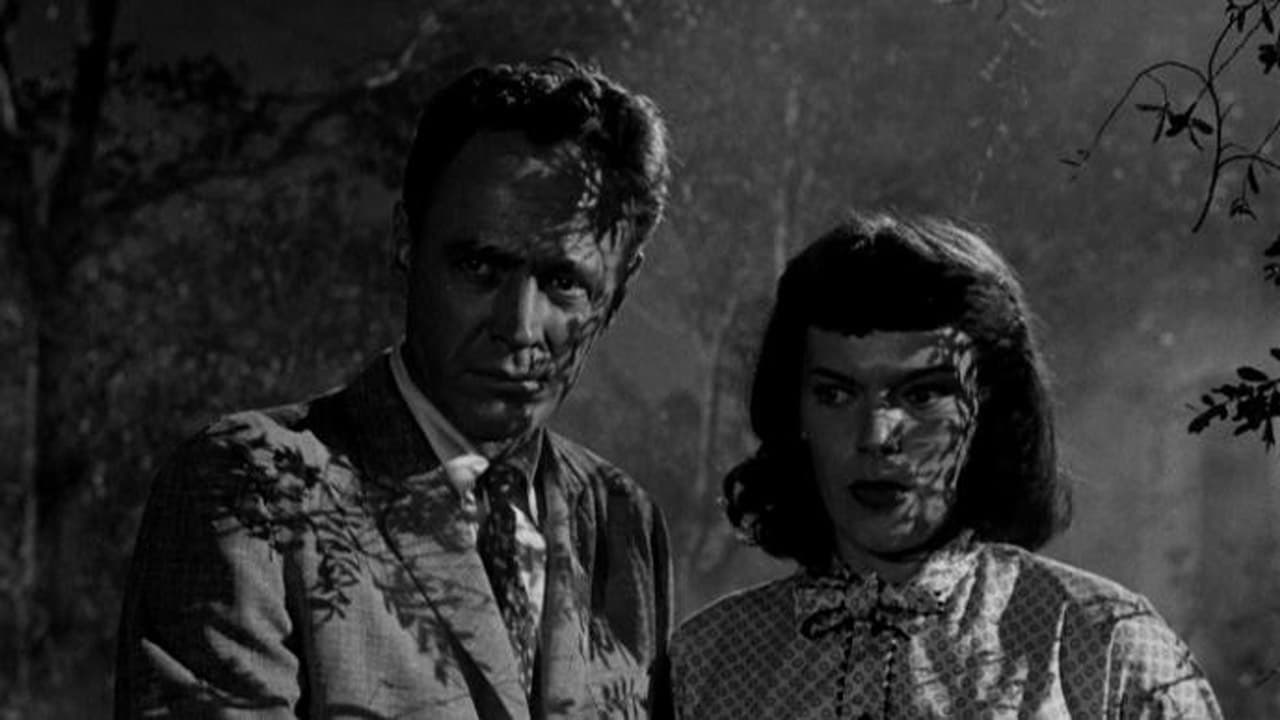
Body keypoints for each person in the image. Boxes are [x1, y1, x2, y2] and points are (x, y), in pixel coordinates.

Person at [116, 58, 673, 719]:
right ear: (407, 239)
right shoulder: (254, 483)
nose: (520, 327)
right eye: (479, 266)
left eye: (563, 282)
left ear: (619, 291)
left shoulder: (621, 519)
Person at [661, 213, 1222, 719]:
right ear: (796, 413)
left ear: (989, 412)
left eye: (922, 395)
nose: (876, 437)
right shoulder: (707, 662)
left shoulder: (1103, 645)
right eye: (836, 394)